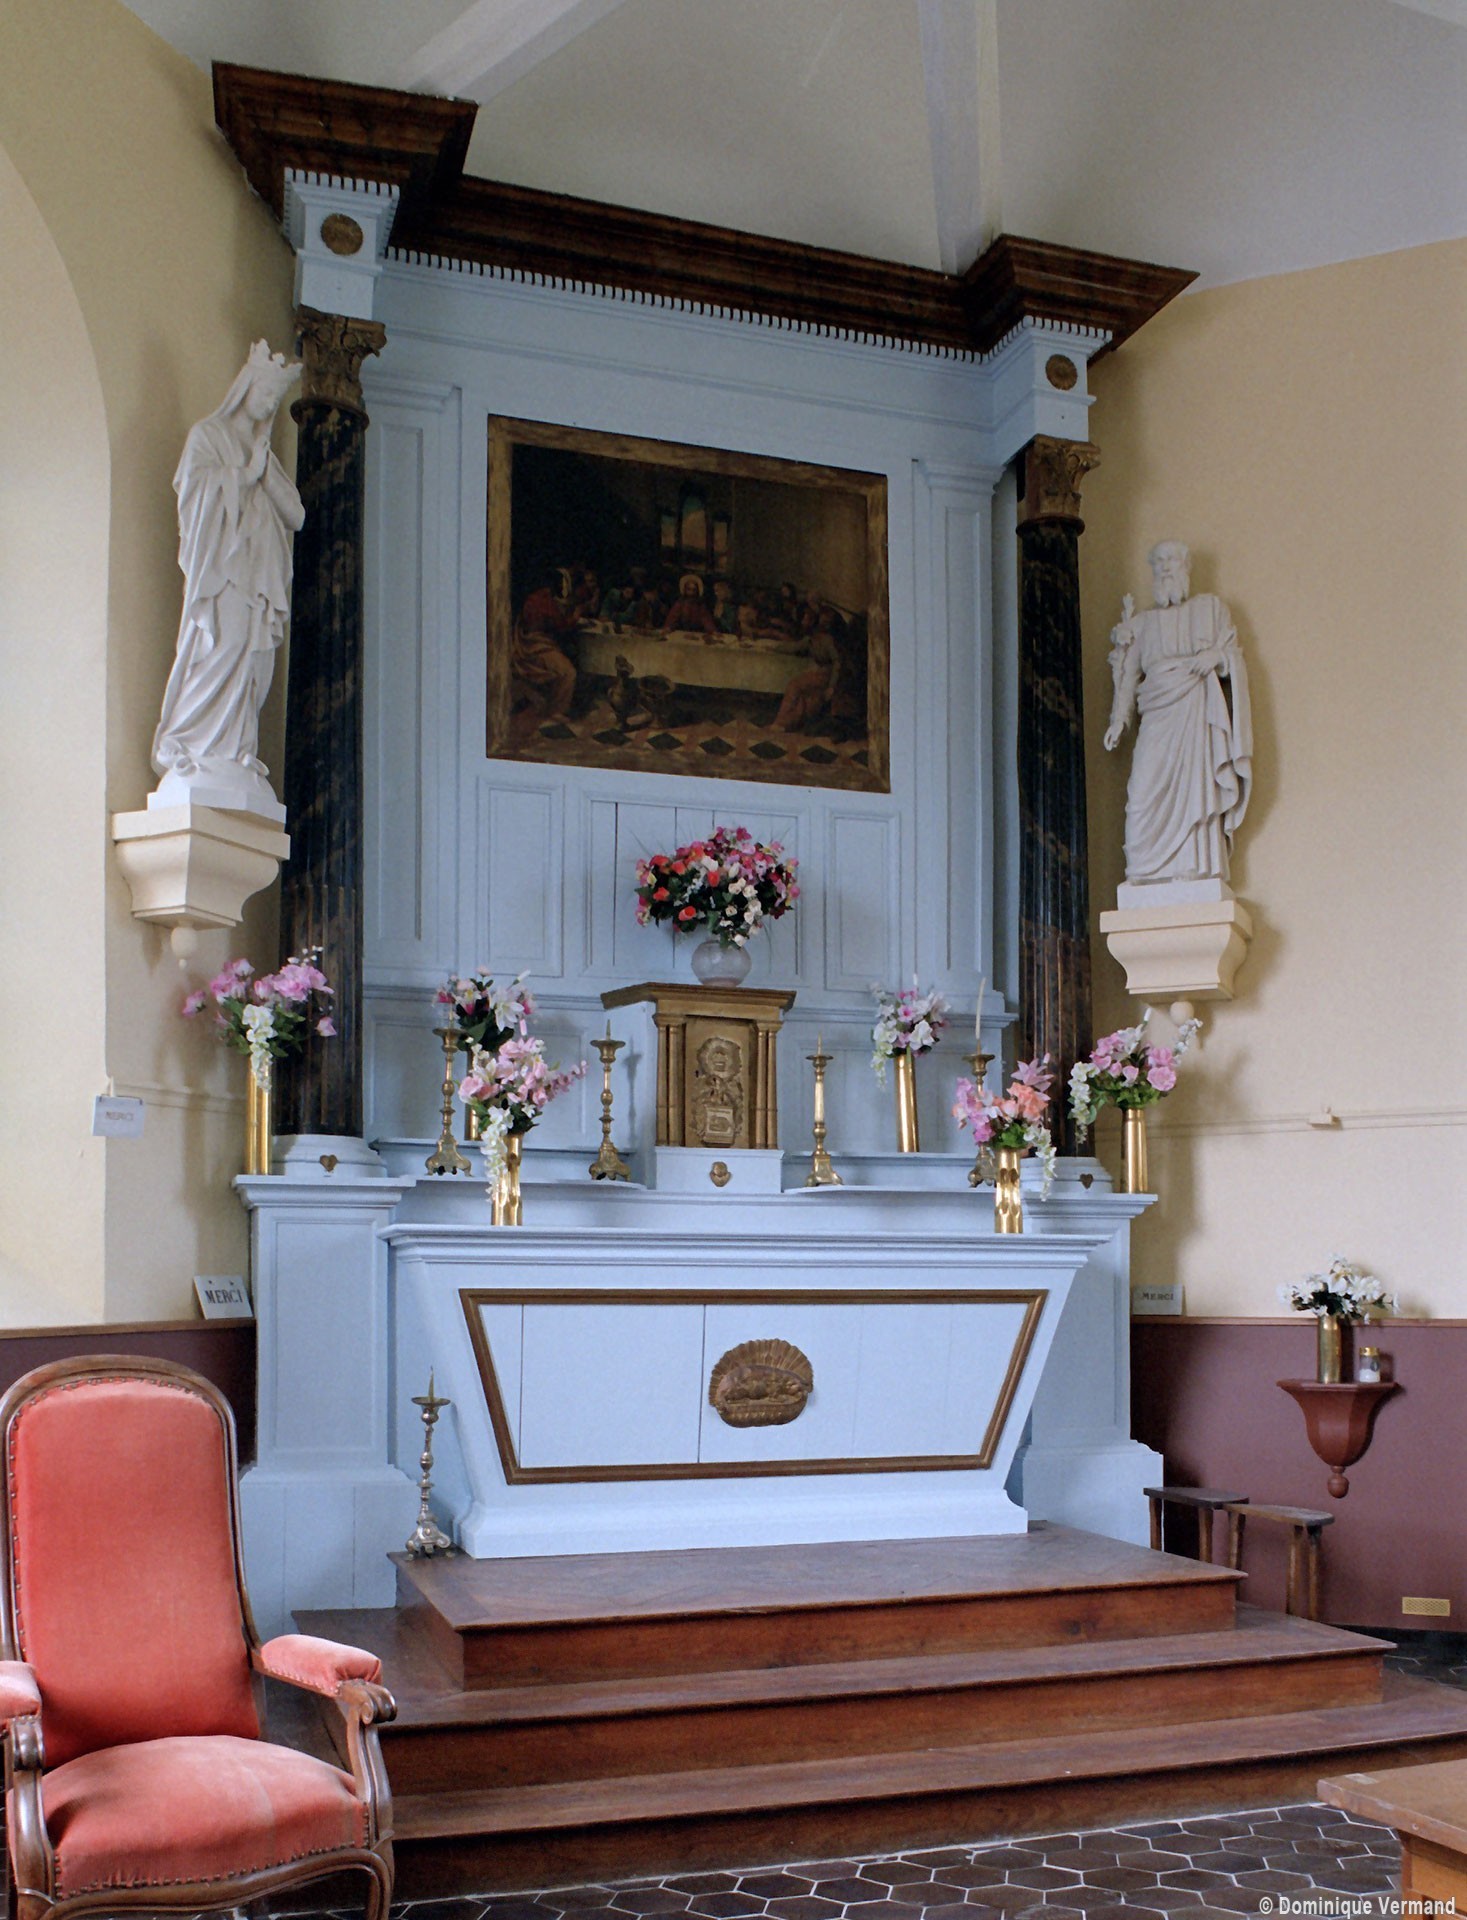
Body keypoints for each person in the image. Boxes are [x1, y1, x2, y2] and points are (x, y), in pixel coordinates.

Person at [150, 341, 304, 813]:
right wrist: (243, 475)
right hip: (224, 577)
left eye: (276, 399)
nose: (269, 404)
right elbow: (192, 493)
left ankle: (236, 751)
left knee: (254, 664)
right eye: (265, 393)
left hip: (259, 582)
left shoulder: (262, 451)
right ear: (245, 387)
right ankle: (188, 742)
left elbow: (296, 515)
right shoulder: (208, 436)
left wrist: (263, 470)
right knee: (224, 647)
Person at [1104, 540, 1252, 886]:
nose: (1165, 567)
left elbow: (1233, 655)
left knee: (1195, 789)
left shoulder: (1210, 610)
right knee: (1141, 793)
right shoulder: (1144, 624)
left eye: (1172, 560)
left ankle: (1194, 867)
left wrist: (1216, 658)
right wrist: (1118, 720)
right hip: (1157, 715)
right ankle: (1143, 870)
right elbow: (1129, 676)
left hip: (1195, 714)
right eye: (1159, 563)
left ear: (1185, 568)